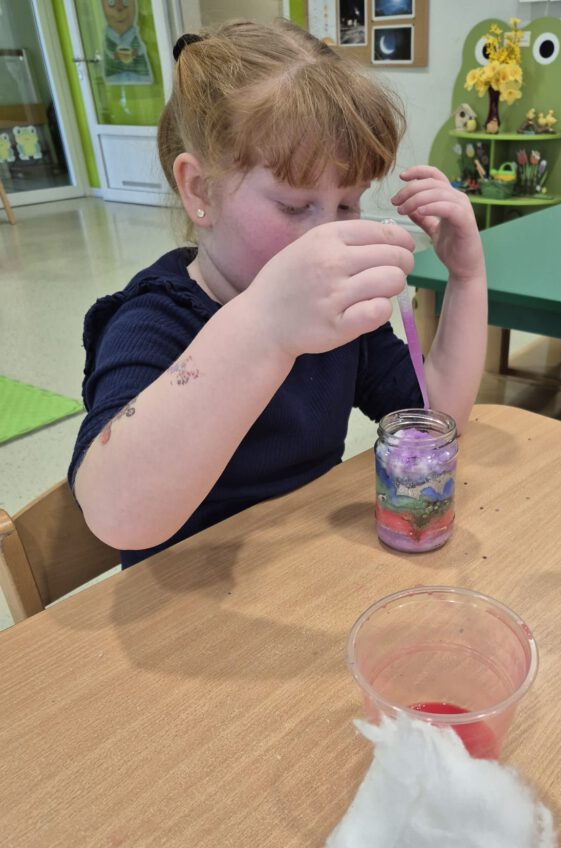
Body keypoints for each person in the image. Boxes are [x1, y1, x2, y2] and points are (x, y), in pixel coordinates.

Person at [68, 19, 487, 568]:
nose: (326, 233)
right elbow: (117, 513)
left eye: (347, 204)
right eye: (294, 205)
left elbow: (436, 420)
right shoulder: (152, 320)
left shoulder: (338, 319)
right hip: (190, 600)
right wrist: (265, 326)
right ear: (199, 189)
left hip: (305, 573)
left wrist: (467, 278)